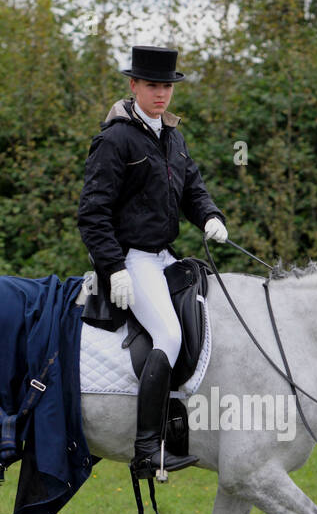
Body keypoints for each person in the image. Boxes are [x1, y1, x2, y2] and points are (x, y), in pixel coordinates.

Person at [77, 45, 228, 481]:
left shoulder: (173, 136)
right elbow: (92, 212)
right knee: (168, 332)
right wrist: (113, 268)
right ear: (134, 86)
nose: (161, 94)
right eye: (152, 86)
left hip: (165, 258)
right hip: (132, 259)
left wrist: (211, 216)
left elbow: (192, 190)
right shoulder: (115, 139)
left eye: (166, 86)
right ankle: (147, 449)